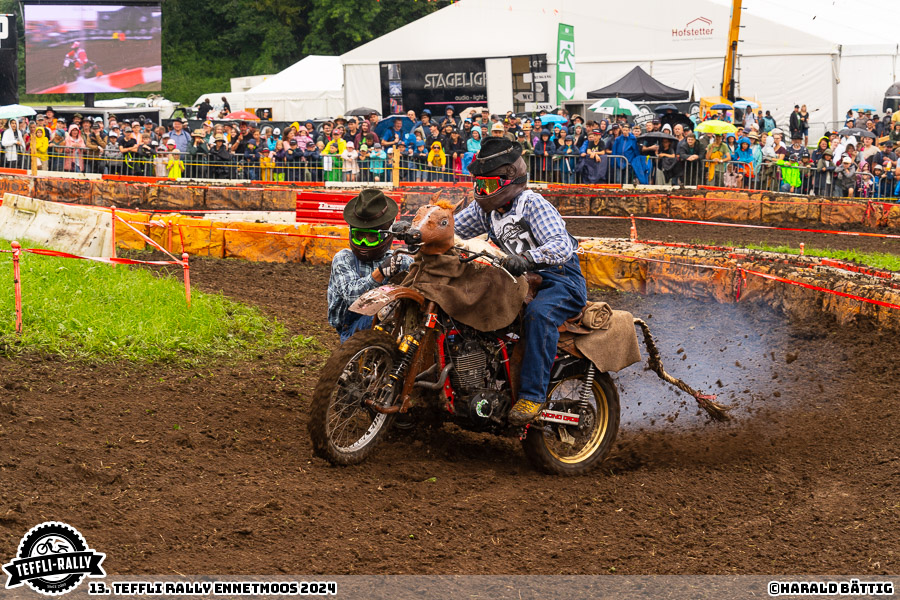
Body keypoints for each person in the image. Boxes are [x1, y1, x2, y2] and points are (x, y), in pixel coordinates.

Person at [453, 137, 587, 426]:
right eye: (479, 185)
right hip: (518, 279)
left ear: (509, 180)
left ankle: (532, 396)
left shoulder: (532, 204)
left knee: (539, 315)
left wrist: (527, 258)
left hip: (560, 279)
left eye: (487, 185)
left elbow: (561, 245)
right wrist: (417, 229)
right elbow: (451, 226)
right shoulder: (486, 210)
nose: (481, 191)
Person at [327, 189, 411, 342]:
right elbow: (352, 297)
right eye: (359, 236)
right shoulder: (344, 259)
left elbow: (424, 271)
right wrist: (380, 272)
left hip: (393, 327)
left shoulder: (398, 260)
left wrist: (414, 237)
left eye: (372, 236)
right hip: (351, 329)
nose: (364, 243)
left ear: (386, 235)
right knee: (384, 311)